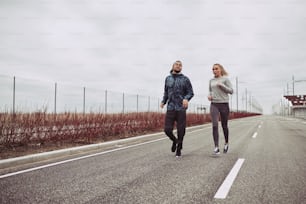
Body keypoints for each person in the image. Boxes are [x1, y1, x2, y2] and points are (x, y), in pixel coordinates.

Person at [160, 60, 194, 157]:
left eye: (180, 65)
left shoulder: (185, 79)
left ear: (181, 68)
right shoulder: (168, 79)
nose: (178, 66)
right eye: (177, 64)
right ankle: (175, 141)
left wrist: (186, 99)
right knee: (167, 130)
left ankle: (179, 149)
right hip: (170, 107)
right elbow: (166, 92)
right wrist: (163, 101)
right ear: (173, 66)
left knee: (181, 130)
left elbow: (190, 92)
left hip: (181, 108)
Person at [207, 63, 233, 155]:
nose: (214, 71)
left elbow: (231, 91)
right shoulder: (211, 80)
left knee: (224, 125)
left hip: (224, 104)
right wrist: (209, 96)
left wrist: (222, 85)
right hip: (214, 104)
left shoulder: (225, 79)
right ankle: (216, 147)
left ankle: (226, 143)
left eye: (216, 69)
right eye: (213, 69)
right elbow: (210, 91)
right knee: (214, 125)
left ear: (220, 69)